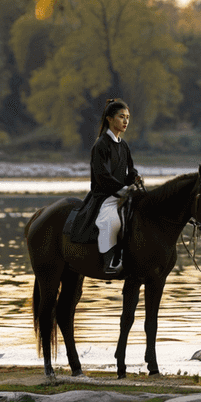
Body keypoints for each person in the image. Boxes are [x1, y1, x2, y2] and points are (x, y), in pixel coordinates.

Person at [70, 99, 141, 274]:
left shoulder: (123, 145)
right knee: (111, 220)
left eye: (127, 118)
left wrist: (133, 177)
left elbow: (129, 170)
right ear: (109, 119)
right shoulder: (101, 144)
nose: (125, 121)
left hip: (122, 193)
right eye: (121, 117)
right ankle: (109, 261)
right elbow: (102, 177)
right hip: (104, 195)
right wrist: (122, 190)